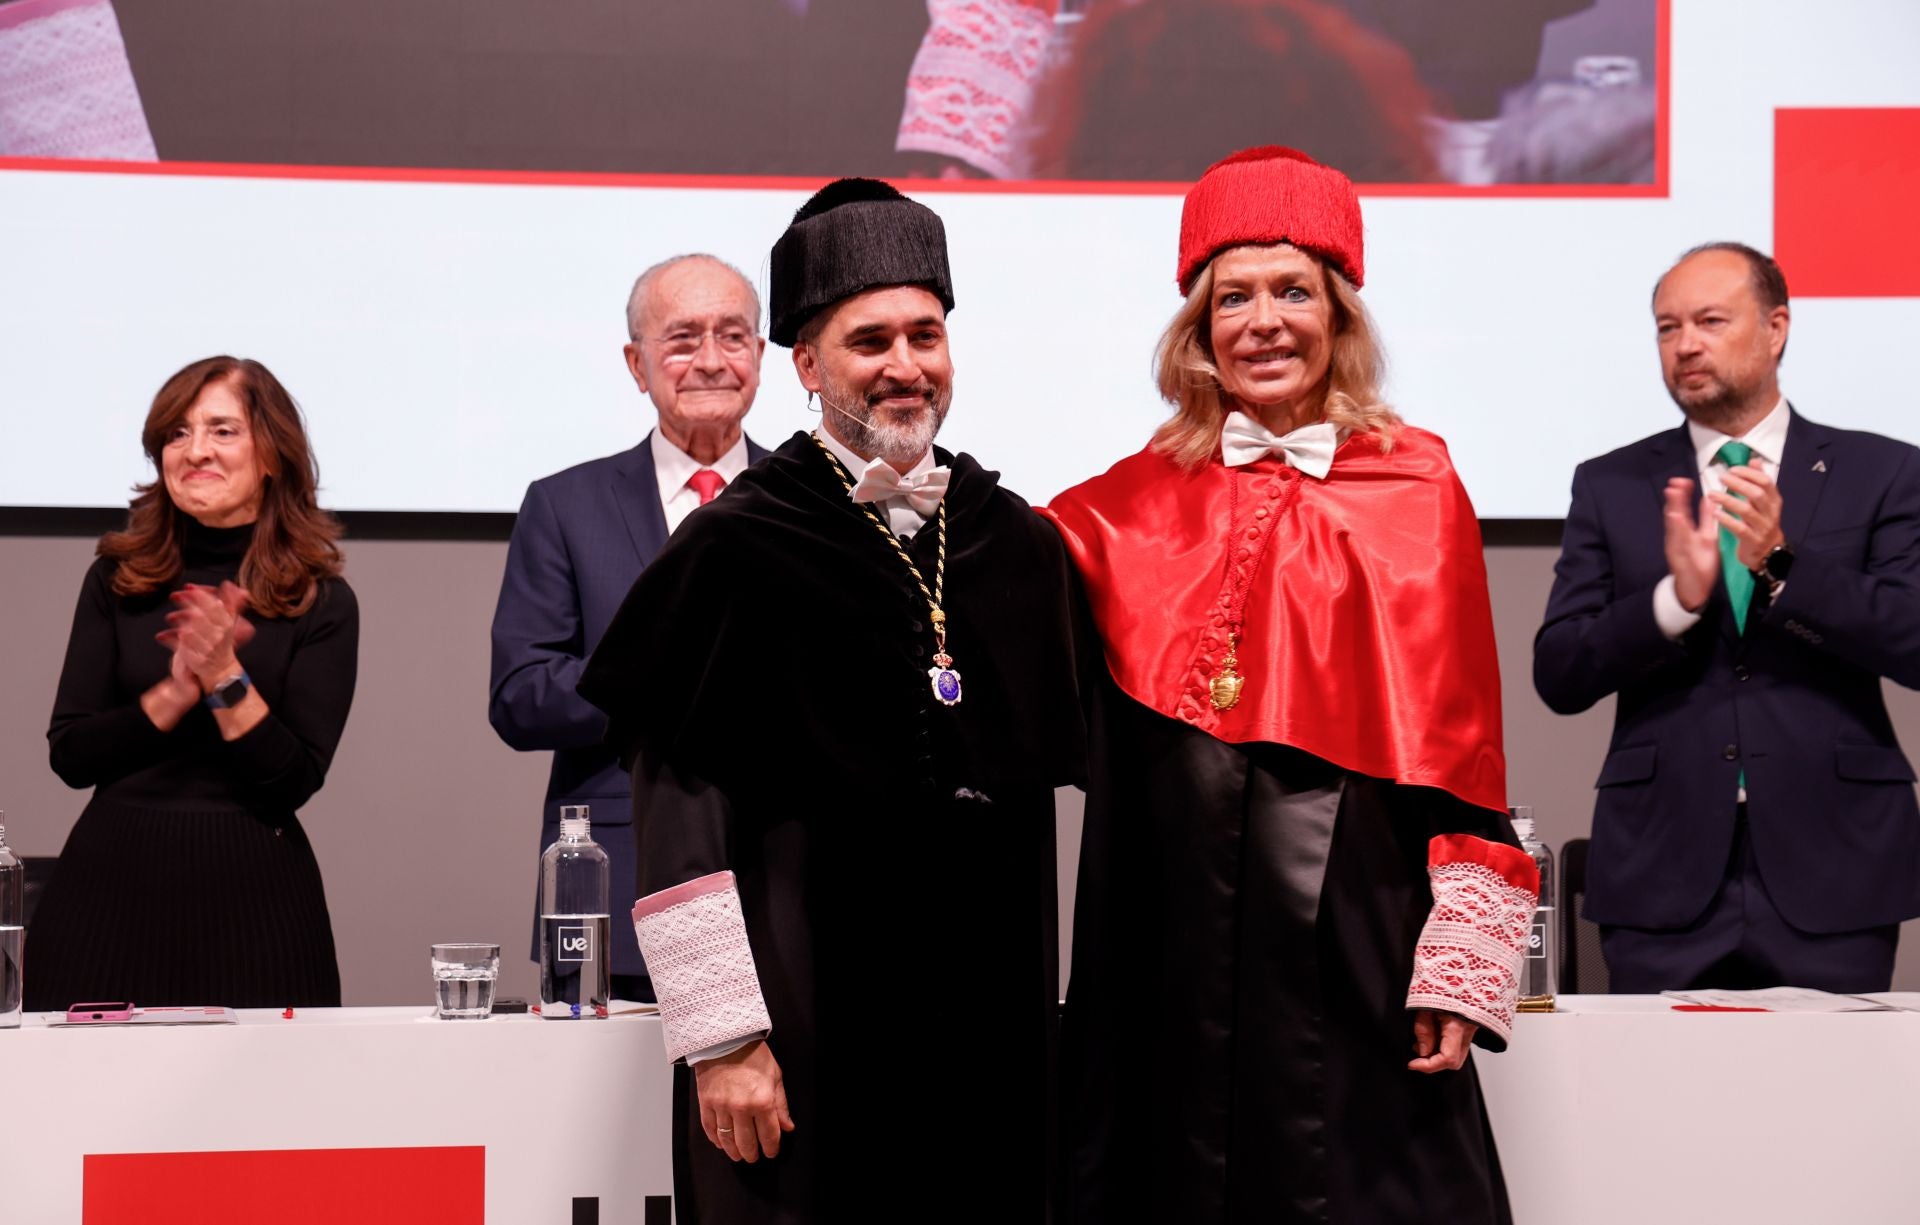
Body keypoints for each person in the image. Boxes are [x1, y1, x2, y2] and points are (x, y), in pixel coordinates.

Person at [1044, 146, 1537, 1224]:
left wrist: (1456, 970)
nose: (1262, 321)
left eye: (1292, 292)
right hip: (1162, 920)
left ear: (1340, 318)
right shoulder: (1120, 503)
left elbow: (1462, 737)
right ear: (1198, 330)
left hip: (1354, 921)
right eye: (1233, 297)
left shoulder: (1421, 480)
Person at [579, 178, 1084, 1222]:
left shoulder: (1014, 544)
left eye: (926, 335)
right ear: (806, 366)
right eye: (869, 341)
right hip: (804, 1053)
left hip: (991, 1054)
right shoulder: (735, 548)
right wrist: (725, 1043)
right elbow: (679, 816)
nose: (905, 367)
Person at [1533, 242, 1920, 993]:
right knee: (1661, 1106)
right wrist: (1672, 603)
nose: (1686, 345)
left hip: (1835, 862)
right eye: (1667, 327)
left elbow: (1914, 638)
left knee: (1829, 1105)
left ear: (1776, 328)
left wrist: (1783, 565)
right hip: (1663, 869)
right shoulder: (1612, 483)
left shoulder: (1884, 472)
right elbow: (1560, 671)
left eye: (1710, 320)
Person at [30, 356, 357, 1009]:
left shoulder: (319, 600)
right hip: (108, 892)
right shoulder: (117, 579)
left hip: (257, 900)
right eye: (177, 434)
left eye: (222, 430)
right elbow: (70, 754)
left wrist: (223, 677)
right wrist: (173, 695)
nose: (195, 450)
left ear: (272, 454)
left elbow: (293, 782)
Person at [489, 254, 771, 1003]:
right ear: (636, 363)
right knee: (631, 1120)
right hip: (623, 880)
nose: (710, 360)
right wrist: (661, 674)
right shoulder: (565, 504)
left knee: (785, 1115)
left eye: (733, 336)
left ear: (762, 356)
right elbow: (520, 696)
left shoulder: (814, 500)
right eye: (682, 339)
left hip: (786, 876)